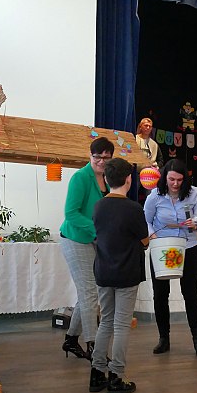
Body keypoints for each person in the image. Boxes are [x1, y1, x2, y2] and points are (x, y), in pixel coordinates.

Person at [90, 158, 148, 393]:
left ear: (105, 179)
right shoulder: (133, 208)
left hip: (103, 271)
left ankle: (97, 373)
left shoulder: (98, 206)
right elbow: (144, 239)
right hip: (127, 272)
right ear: (129, 180)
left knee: (105, 321)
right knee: (122, 324)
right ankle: (116, 376)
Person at [143, 159, 197, 356]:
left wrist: (196, 224)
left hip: (188, 246)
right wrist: (152, 235)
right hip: (162, 248)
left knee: (190, 292)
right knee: (161, 293)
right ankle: (163, 338)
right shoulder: (155, 195)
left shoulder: (194, 194)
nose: (175, 184)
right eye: (172, 179)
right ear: (165, 178)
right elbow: (145, 220)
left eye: (180, 180)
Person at [59, 136, 114, 361]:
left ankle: (71, 339)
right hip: (75, 238)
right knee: (90, 292)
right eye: (97, 157)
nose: (101, 161)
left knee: (88, 293)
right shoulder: (80, 177)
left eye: (106, 158)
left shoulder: (109, 179)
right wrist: (98, 229)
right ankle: (94, 347)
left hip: (95, 239)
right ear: (89, 156)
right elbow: (70, 214)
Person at [135, 117, 164, 203]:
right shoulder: (134, 140)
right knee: (133, 194)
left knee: (151, 198)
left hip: (150, 174)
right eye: (146, 125)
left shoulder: (154, 144)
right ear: (140, 126)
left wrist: (157, 167)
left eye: (150, 126)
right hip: (136, 173)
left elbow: (160, 160)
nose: (148, 128)